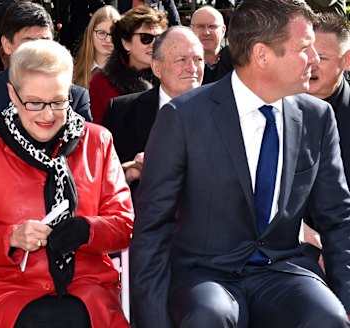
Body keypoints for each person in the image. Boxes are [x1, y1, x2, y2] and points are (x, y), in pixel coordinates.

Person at [130, 0, 350, 327]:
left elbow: (338, 217)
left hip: (282, 268)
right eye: (305, 47)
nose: (315, 60)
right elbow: (151, 228)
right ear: (262, 55)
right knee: (209, 315)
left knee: (327, 318)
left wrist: (346, 300)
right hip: (203, 273)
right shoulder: (184, 117)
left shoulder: (316, 117)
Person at [0, 39, 133, 328]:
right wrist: (11, 237)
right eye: (34, 103)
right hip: (4, 290)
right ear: (12, 94)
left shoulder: (97, 141)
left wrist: (87, 230)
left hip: (86, 288)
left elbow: (124, 226)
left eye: (59, 102)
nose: (48, 115)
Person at [0, 1, 92, 147]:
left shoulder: (76, 97)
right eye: (29, 42)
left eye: (45, 41)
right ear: (7, 45)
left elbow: (85, 154)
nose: (38, 50)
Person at [103, 26, 203, 184]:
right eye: (182, 60)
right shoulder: (121, 113)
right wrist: (127, 176)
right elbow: (105, 182)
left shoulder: (224, 113)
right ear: (157, 68)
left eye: (198, 59)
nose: (192, 69)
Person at [305, 12, 350, 267]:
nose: (311, 64)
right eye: (306, 53)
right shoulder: (275, 106)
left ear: (346, 61)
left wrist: (339, 247)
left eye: (321, 57)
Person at [89, 5, 167, 125]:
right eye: (145, 38)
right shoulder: (101, 82)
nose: (153, 44)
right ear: (126, 43)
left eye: (159, 39)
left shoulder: (171, 76)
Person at [73, 5, 120, 90]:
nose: (108, 39)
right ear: (91, 34)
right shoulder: (74, 73)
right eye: (102, 33)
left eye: (114, 34)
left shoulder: (130, 72)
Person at [190, 6, 233, 85]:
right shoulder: (182, 65)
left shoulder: (237, 62)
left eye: (212, 26)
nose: (206, 32)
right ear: (191, 30)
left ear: (223, 31)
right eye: (200, 26)